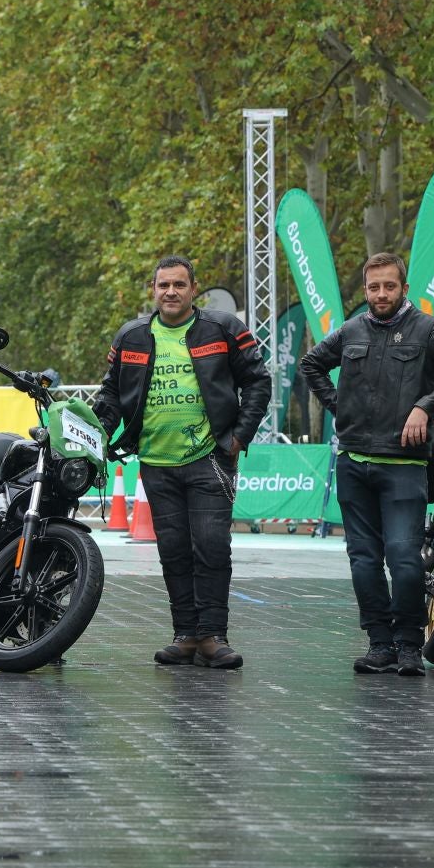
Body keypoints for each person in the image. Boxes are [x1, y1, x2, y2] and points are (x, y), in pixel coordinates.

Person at [95, 254, 270, 671]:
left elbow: (257, 381)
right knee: (173, 552)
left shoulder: (224, 329)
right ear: (153, 291)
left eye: (178, 285)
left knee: (210, 547)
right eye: (163, 286)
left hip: (210, 459)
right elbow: (109, 396)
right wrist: (95, 435)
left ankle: (214, 637)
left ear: (194, 289)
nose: (170, 292)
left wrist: (239, 437)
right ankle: (186, 637)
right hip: (155, 462)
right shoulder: (131, 336)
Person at [300, 251, 434, 676]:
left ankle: (409, 646)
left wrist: (425, 407)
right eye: (374, 287)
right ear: (366, 289)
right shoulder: (351, 330)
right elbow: (312, 364)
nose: (381, 294)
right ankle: (379, 644)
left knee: (406, 560)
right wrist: (341, 407)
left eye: (389, 286)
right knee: (364, 560)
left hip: (405, 466)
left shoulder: (430, 330)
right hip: (353, 463)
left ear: (404, 289)